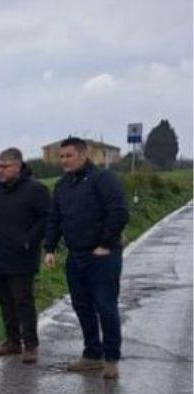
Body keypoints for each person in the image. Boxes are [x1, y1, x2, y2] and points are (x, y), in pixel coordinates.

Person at [44, 136, 129, 379]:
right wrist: (49, 248)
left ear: (83, 155)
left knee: (105, 306)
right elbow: (55, 218)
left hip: (102, 255)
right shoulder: (62, 186)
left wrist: (105, 244)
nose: (64, 160)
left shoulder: (103, 179)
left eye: (69, 156)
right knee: (81, 306)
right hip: (76, 255)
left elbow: (118, 212)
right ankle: (92, 354)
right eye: (61, 156)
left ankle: (111, 359)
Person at [0, 147, 49, 364]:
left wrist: (28, 241)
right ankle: (12, 341)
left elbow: (46, 219)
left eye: (5, 166)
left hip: (21, 257)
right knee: (5, 301)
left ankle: (30, 345)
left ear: (17, 166)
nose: (0, 170)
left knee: (23, 301)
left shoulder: (36, 190)